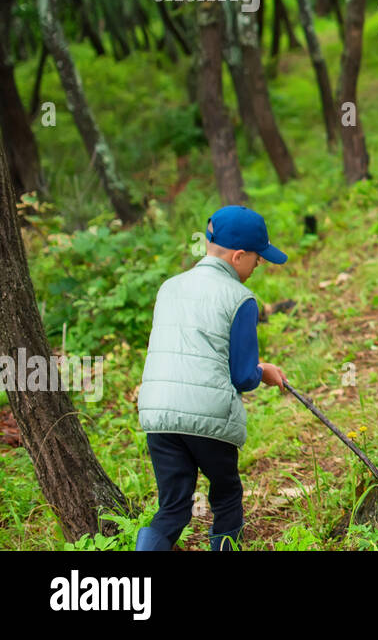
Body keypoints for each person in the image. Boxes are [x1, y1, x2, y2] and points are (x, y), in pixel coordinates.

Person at [134, 205, 289, 551]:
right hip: (208, 418)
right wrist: (262, 371)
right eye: (258, 259)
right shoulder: (240, 298)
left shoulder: (169, 288)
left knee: (173, 507)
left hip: (158, 414)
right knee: (226, 495)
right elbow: (241, 375)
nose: (258, 266)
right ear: (238, 257)